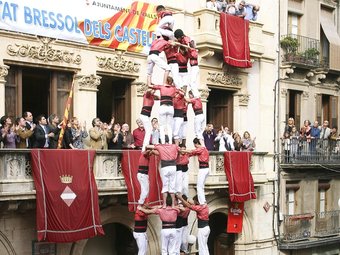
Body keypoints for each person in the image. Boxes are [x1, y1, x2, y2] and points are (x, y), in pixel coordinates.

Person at [146, 137, 180, 207]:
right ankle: (173, 204)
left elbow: (147, 146)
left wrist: (153, 148)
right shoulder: (174, 146)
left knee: (165, 186)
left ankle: (164, 204)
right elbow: (178, 143)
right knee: (172, 186)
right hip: (173, 167)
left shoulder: (160, 146)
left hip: (165, 167)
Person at [149, 76, 178, 144]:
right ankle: (170, 141)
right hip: (170, 108)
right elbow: (180, 92)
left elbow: (150, 85)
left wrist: (150, 78)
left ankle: (163, 141)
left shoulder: (161, 87)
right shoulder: (173, 88)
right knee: (169, 126)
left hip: (163, 107)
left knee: (162, 126)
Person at [183, 138, 209, 205]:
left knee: (199, 187)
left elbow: (192, 152)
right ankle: (203, 201)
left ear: (196, 143)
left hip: (203, 169)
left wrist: (182, 151)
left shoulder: (201, 149)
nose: (195, 146)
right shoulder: (204, 148)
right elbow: (193, 153)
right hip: (207, 169)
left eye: (195, 145)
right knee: (202, 186)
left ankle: (202, 202)